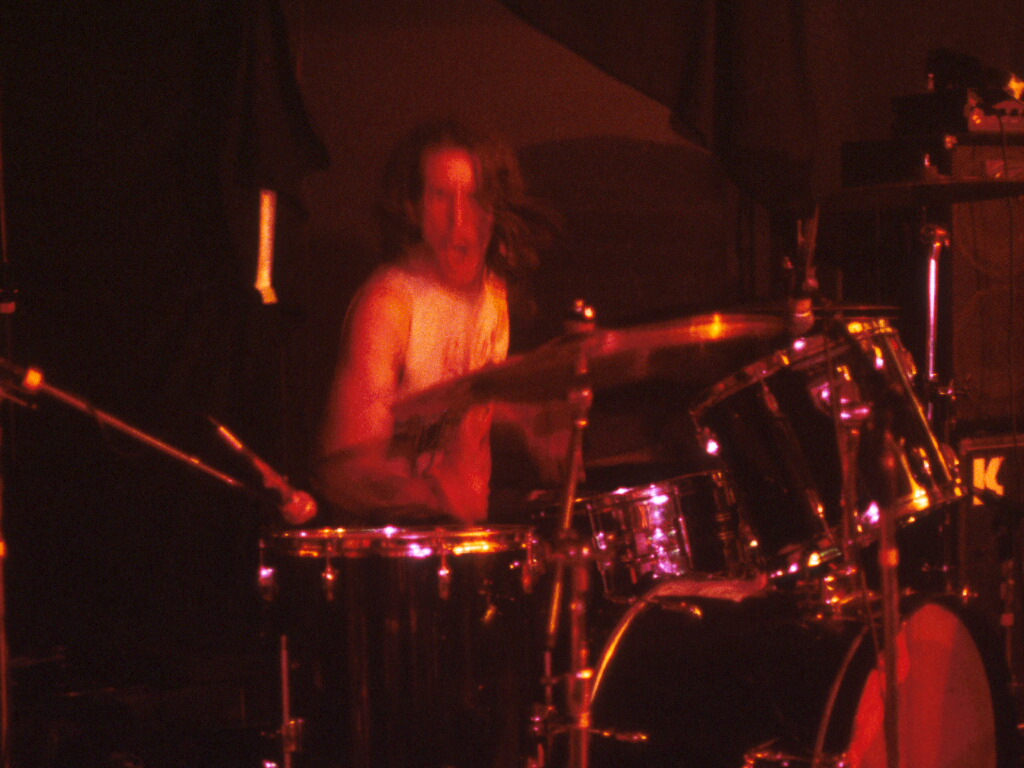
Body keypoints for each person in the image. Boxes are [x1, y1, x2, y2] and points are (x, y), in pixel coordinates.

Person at [314, 120, 548, 526]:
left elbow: (463, 409)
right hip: (393, 542)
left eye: (475, 197)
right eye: (440, 196)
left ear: (498, 208)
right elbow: (342, 473)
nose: (459, 220)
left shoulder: (494, 292)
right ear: (414, 207)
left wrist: (532, 422)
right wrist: (435, 497)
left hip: (461, 537)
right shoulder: (388, 306)